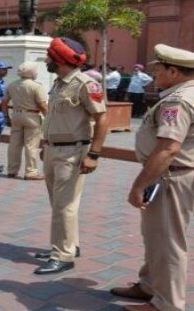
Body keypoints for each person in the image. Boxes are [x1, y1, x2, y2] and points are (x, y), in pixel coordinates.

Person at [110, 44, 194, 311]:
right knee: (155, 234)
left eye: (159, 69)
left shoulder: (177, 101)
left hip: (169, 177)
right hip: (175, 174)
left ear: (173, 71)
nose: (155, 74)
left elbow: (168, 148)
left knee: (166, 241)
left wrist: (139, 185)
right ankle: (149, 285)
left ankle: (167, 304)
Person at [33, 37, 108, 275]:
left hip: (73, 151)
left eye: (49, 57)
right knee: (59, 204)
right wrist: (46, 144)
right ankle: (68, 245)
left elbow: (102, 119)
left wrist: (94, 154)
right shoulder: (58, 83)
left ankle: (62, 255)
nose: (46, 60)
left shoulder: (85, 84)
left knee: (65, 205)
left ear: (58, 60)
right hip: (54, 149)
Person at [1, 61, 48, 180]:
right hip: (31, 116)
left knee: (14, 145)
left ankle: (12, 170)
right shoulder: (36, 86)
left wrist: (6, 116)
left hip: (16, 115)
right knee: (31, 145)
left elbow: (4, 102)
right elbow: (42, 105)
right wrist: (49, 117)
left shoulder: (12, 85)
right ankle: (30, 171)